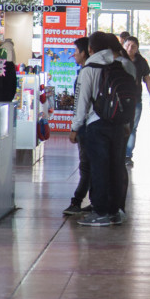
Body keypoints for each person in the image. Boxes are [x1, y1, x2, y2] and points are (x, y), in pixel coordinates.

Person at [70, 32, 136, 227]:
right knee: (115, 168)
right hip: (118, 124)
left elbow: (81, 103)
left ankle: (100, 211)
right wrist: (126, 123)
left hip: (96, 124)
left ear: (91, 49)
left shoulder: (89, 69)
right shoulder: (123, 65)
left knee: (98, 169)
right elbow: (130, 97)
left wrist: (75, 127)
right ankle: (115, 211)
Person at [63, 37, 92, 215]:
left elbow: (83, 105)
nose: (73, 54)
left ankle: (77, 201)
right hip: (91, 125)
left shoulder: (86, 72)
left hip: (86, 127)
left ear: (84, 52)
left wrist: (75, 128)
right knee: (88, 166)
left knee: (86, 166)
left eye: (76, 51)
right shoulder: (90, 71)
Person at [123, 36, 150, 167]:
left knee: (132, 128)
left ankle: (127, 155)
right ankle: (118, 153)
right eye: (128, 45)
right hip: (120, 99)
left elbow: (147, 79)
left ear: (137, 49)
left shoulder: (141, 61)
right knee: (120, 127)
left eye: (133, 46)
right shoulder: (118, 60)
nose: (130, 48)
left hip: (135, 99)